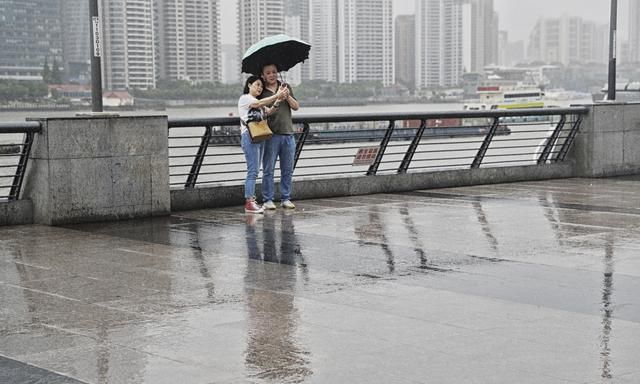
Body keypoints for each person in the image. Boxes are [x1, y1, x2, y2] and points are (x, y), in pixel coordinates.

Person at [238, 75, 286, 214]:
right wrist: (276, 94)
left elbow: (269, 111)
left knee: (256, 170)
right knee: (252, 171)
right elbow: (258, 104)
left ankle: (252, 201)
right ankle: (249, 202)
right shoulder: (245, 98)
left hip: (261, 136)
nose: (259, 88)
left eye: (261, 86)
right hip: (250, 136)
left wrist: (279, 99)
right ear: (249, 85)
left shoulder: (259, 102)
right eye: (257, 85)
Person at [260, 64, 300, 210]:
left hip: (288, 133)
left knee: (287, 169)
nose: (272, 75)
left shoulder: (285, 86)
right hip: (270, 135)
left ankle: (286, 198)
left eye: (274, 72)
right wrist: (276, 97)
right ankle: (268, 199)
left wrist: (287, 95)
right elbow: (260, 109)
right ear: (263, 75)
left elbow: (296, 107)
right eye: (268, 73)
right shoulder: (261, 90)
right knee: (268, 169)